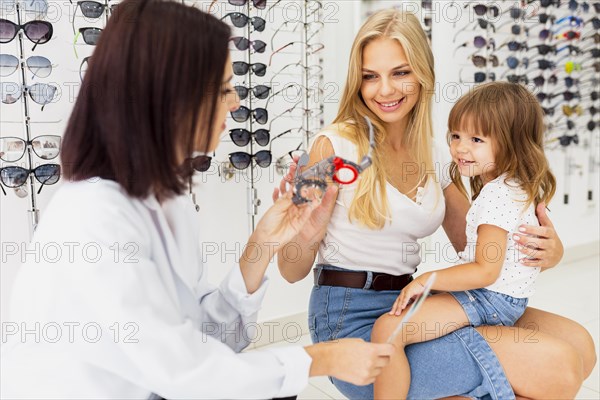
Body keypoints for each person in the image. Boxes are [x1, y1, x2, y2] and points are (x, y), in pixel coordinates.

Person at [0, 1, 396, 399]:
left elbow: (208, 337)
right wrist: (320, 359)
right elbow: (186, 373)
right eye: (224, 89)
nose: (237, 102)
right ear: (171, 97)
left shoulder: (168, 202)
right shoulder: (93, 219)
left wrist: (262, 244)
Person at [276, 9, 596, 399]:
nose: (385, 90)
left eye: (400, 72)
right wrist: (307, 233)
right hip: (350, 318)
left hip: (412, 302)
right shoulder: (333, 146)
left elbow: (480, 248)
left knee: (579, 344)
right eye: (370, 76)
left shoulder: (432, 153)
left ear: (423, 74)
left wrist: (551, 251)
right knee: (557, 367)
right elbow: (290, 271)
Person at [372, 82, 559, 399]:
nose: (460, 148)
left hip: (490, 298)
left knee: (388, 329)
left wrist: (428, 280)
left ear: (511, 143)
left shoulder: (497, 194)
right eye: (456, 136)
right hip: (504, 299)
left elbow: (486, 270)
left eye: (476, 139)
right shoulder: (512, 187)